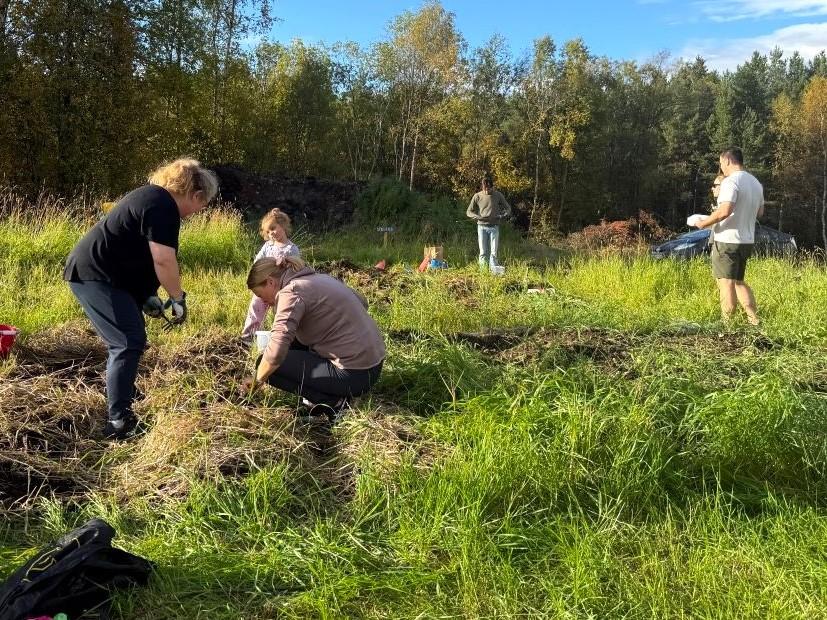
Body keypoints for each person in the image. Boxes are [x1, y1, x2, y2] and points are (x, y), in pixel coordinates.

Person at [64, 158, 219, 439]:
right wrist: (178, 298)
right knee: (126, 341)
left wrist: (146, 294)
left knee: (132, 335)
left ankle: (125, 391)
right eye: (202, 203)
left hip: (112, 276)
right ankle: (119, 422)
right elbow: (163, 260)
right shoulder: (163, 206)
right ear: (195, 195)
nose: (200, 210)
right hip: (96, 274)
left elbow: (136, 252)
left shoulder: (154, 199)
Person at [241, 256, 385, 422]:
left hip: (353, 375)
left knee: (266, 366)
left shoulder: (291, 292)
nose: (262, 301)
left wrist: (257, 381)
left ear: (270, 282)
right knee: (293, 343)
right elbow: (363, 302)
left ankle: (334, 404)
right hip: (373, 366)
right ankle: (328, 395)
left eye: (260, 294)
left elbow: (275, 354)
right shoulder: (318, 278)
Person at [690, 148, 764, 325]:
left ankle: (726, 324)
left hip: (727, 240)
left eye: (721, 163)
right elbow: (760, 213)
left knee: (726, 283)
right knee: (738, 282)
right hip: (746, 240)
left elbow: (725, 211)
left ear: (729, 160)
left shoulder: (731, 181)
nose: (721, 166)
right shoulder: (756, 183)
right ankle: (754, 319)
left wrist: (703, 222)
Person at [241, 208, 300, 343]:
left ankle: (278, 337)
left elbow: (295, 268)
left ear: (283, 225)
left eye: (273, 228)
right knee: (255, 308)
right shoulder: (268, 246)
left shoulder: (291, 249)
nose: (271, 233)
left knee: (280, 313)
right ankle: (248, 335)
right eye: (268, 232)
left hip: (280, 288)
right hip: (263, 284)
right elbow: (258, 260)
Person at [466, 174, 512, 271]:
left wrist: (503, 215)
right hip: (481, 227)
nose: (487, 191)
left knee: (493, 252)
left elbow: (508, 208)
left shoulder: (498, 195)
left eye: (489, 189)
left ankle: (494, 271)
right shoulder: (477, 196)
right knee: (483, 251)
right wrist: (476, 216)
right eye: (485, 189)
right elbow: (469, 211)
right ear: (482, 187)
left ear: (492, 187)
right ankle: (483, 272)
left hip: (494, 226)